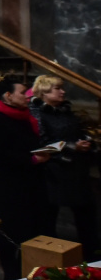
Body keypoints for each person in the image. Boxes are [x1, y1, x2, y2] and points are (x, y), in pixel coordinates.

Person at [0, 78, 53, 280]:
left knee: (31, 231)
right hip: (8, 187)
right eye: (23, 92)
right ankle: (11, 275)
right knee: (10, 234)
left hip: (31, 184)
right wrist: (31, 159)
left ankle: (29, 271)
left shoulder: (25, 117)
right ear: (8, 95)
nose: (28, 96)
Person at [30, 75, 97, 258]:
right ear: (44, 93)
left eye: (62, 88)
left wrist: (86, 142)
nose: (63, 91)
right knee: (49, 217)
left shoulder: (66, 110)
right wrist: (72, 146)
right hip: (54, 171)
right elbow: (43, 144)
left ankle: (89, 254)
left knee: (86, 213)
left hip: (76, 171)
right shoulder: (38, 114)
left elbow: (79, 131)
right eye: (57, 89)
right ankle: (51, 256)